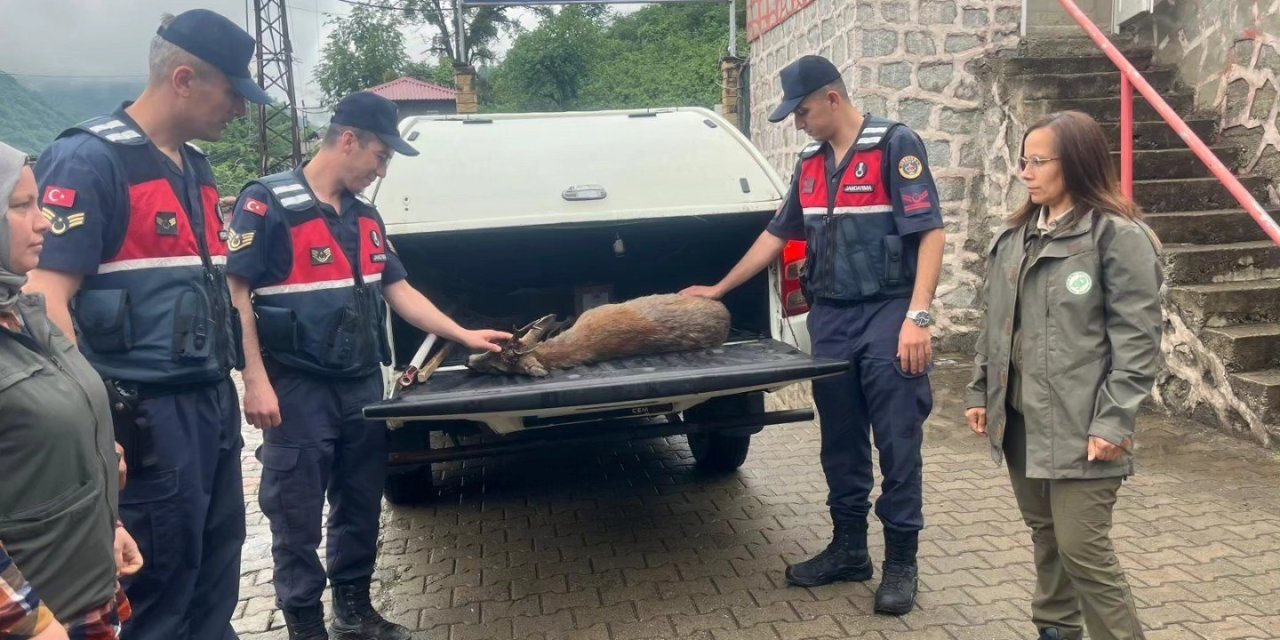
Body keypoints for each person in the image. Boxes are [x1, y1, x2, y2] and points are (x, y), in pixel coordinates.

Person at [24, 10, 273, 640]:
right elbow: (45, 299)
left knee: (214, 568)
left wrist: (248, 379)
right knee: (156, 586)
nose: (241, 113)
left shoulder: (196, 169)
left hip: (209, 406)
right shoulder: (89, 160)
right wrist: (92, 424)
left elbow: (222, 291)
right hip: (146, 420)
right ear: (184, 79)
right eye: (234, 94)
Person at [225, 91, 511, 640]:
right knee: (296, 517)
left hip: (359, 383)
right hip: (296, 389)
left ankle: (354, 613)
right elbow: (236, 295)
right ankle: (306, 627)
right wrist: (254, 380)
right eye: (380, 157)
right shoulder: (268, 204)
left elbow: (398, 290)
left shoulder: (365, 216)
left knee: (359, 503)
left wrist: (464, 334)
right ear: (349, 139)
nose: (381, 171)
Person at [682, 54, 945, 615]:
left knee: (897, 441)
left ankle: (902, 562)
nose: (797, 123)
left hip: (888, 314)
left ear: (833, 98)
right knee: (840, 440)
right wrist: (719, 289)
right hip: (832, 319)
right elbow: (778, 234)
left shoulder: (896, 145)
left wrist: (918, 317)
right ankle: (850, 550)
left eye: (801, 111)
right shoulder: (809, 164)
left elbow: (930, 234)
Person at [965, 110, 1162, 640]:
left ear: (1074, 162)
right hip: (1022, 420)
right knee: (1047, 538)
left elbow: (1137, 343)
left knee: (1084, 552)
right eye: (1023, 160)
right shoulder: (1015, 237)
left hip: (1083, 425)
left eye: (1038, 161)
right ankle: (1055, 630)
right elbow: (996, 324)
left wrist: (1113, 421)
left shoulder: (1117, 238)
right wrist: (982, 390)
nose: (1025, 172)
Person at [0, 142, 143, 640]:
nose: (45, 223)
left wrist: (110, 528)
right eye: (21, 207)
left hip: (87, 595)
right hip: (41, 618)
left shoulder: (26, 315)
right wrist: (28, 623)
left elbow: (50, 452)